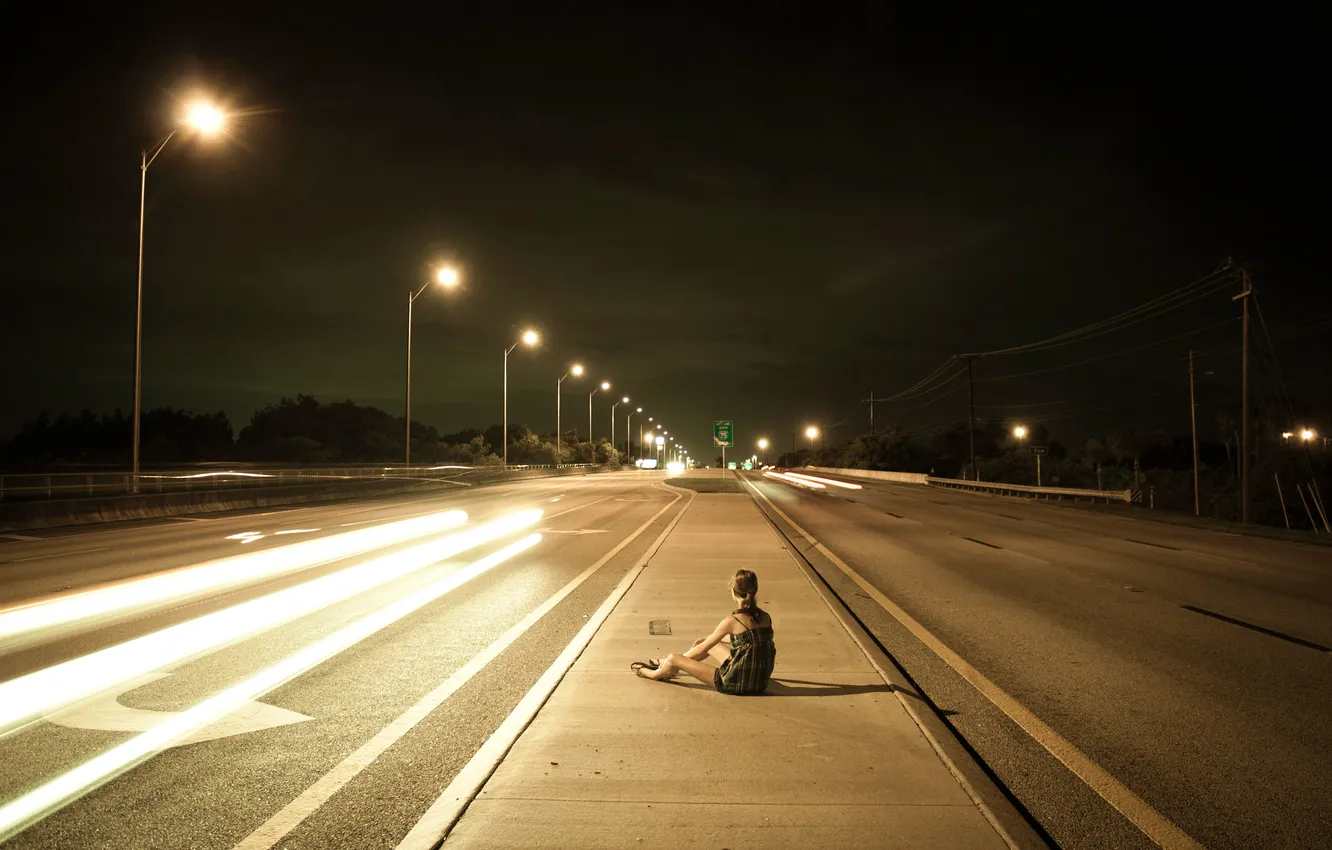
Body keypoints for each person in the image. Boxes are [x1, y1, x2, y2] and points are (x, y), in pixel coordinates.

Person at [631, 569, 775, 695]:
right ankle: (667, 664)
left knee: (675, 657)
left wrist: (707, 641)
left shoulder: (733, 620)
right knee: (709, 642)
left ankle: (655, 673)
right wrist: (711, 639)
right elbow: (749, 641)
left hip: (734, 683)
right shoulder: (765, 617)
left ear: (733, 591)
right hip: (760, 683)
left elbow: (703, 648)